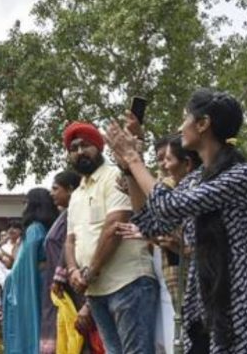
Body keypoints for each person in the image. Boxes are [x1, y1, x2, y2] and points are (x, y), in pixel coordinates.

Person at [107, 88, 247, 353]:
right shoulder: (194, 179)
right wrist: (128, 169)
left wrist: (134, 159)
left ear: (203, 124)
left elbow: (170, 206)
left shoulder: (242, 176)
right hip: (203, 303)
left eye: (185, 118)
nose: (181, 127)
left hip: (243, 303)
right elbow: (152, 222)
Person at [63, 121, 157, 354]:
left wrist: (90, 271)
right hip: (95, 291)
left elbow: (115, 226)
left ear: (99, 146)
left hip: (128, 283)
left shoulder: (116, 176)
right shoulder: (76, 195)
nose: (79, 152)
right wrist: (74, 270)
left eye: (85, 145)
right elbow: (70, 240)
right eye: (73, 149)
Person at [3, 188, 59, 354]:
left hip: (34, 281)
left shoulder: (34, 228)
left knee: (30, 321)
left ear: (33, 204)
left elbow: (24, 263)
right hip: (44, 278)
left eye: (26, 201)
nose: (24, 205)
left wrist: (11, 279)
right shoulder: (49, 225)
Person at [44, 170, 81, 353]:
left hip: (71, 287)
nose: (51, 193)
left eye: (55, 188)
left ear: (71, 190)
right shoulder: (65, 214)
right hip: (59, 289)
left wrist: (60, 277)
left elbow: (69, 246)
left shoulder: (74, 215)